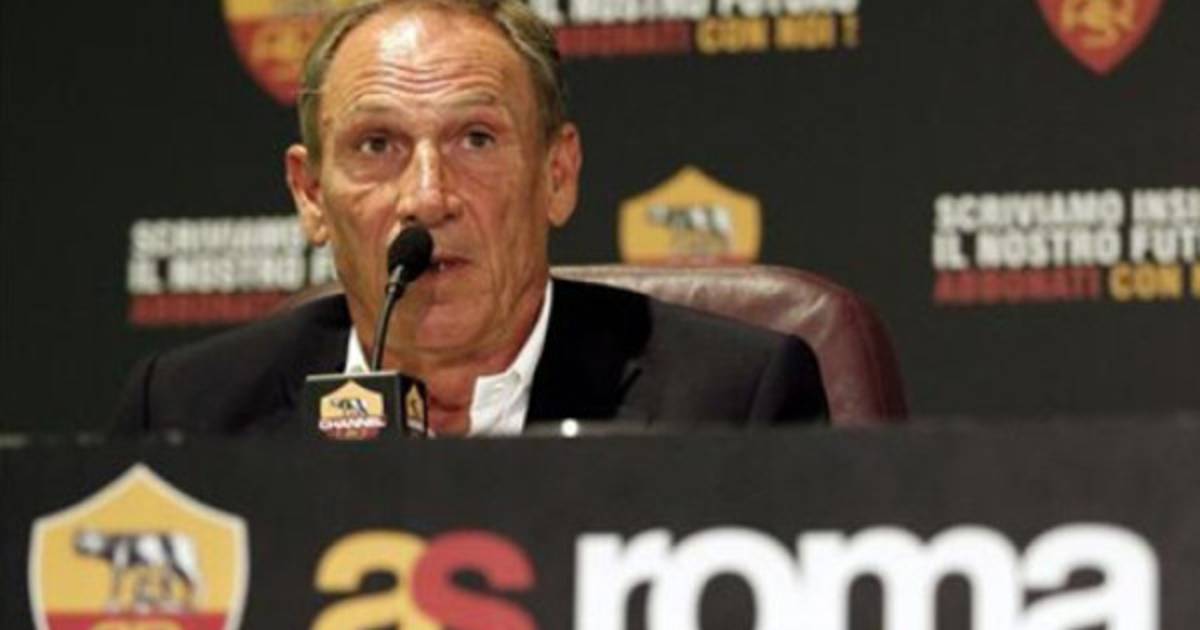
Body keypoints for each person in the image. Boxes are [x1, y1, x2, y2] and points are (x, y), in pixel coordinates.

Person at [114, 0, 827, 436]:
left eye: (476, 140)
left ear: (557, 175)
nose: (428, 196)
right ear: (310, 195)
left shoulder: (730, 404)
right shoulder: (187, 414)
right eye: (377, 145)